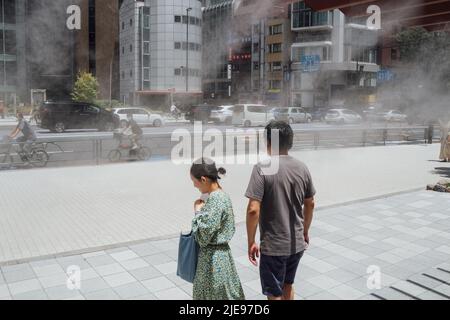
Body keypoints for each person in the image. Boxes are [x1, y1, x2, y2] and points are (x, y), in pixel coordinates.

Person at [245, 120, 316, 300]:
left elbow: (253, 209)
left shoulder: (262, 168)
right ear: (289, 142)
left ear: (269, 143)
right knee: (288, 285)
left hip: (274, 246)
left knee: (274, 293)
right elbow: (310, 203)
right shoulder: (302, 167)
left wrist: (251, 241)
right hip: (296, 243)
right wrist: (305, 231)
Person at [190, 158, 245, 300]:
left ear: (203, 179)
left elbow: (203, 236)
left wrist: (197, 212)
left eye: (194, 182)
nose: (194, 186)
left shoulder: (215, 199)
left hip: (213, 260)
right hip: (222, 256)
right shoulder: (222, 195)